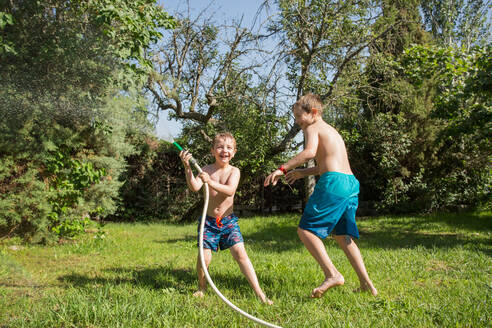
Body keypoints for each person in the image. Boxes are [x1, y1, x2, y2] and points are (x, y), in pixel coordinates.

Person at [264, 94, 377, 298]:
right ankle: (367, 284)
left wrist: (283, 168)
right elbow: (327, 165)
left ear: (313, 113)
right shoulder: (332, 130)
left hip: (334, 183)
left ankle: (332, 274)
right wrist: (302, 173)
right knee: (343, 236)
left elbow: (309, 153)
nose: (297, 121)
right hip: (350, 184)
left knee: (306, 231)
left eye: (299, 116)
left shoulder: (312, 127)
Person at [179, 132, 273, 304]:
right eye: (220, 147)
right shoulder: (206, 169)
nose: (225, 150)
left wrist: (210, 182)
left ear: (234, 152)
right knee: (204, 257)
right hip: (208, 222)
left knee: (240, 254)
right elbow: (194, 187)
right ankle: (201, 288)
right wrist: (187, 168)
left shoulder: (234, 171)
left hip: (228, 221)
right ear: (213, 150)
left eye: (229, 147)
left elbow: (230, 190)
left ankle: (260, 293)